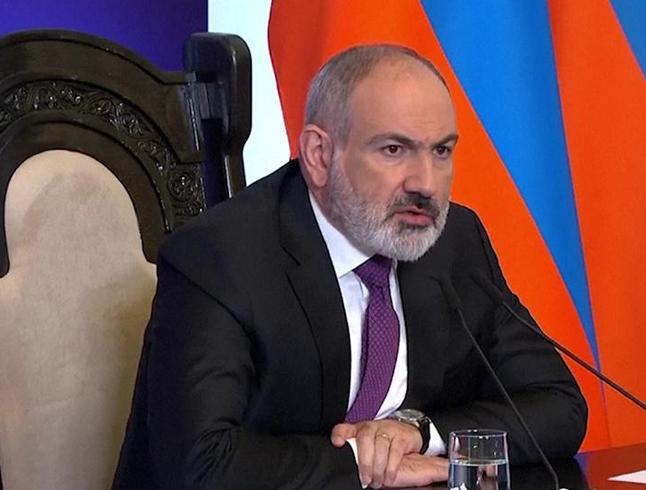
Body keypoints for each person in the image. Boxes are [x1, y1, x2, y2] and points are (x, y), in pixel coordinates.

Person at [113, 44, 587, 490]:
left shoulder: (454, 242)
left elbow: (560, 405)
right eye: (394, 150)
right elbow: (200, 464)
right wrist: (364, 459)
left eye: (441, 151)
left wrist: (418, 433)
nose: (425, 184)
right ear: (319, 155)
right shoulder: (221, 257)